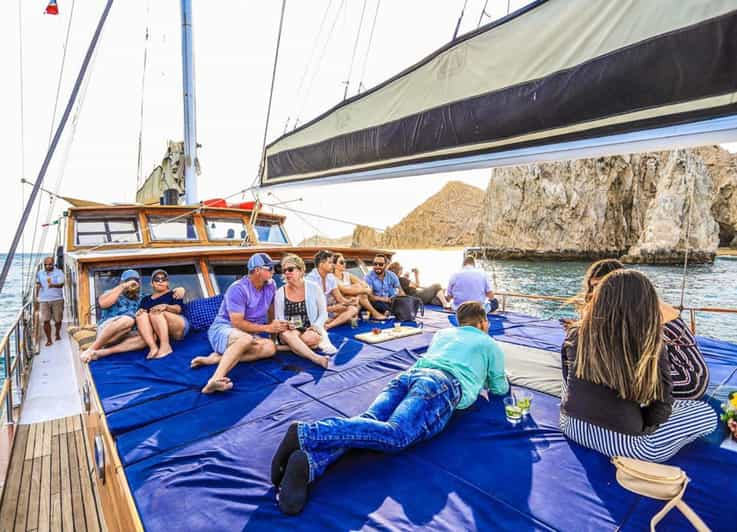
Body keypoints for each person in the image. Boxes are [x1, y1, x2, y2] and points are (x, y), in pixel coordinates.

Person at [271, 301, 509, 515]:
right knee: (396, 434)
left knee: (370, 421)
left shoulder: (444, 333)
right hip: (440, 385)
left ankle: (309, 463)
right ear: (483, 322)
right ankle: (308, 433)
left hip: (409, 376)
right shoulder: (488, 343)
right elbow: (499, 388)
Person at [560, 269, 716, 463]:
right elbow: (661, 407)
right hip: (630, 447)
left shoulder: (575, 333)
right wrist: (647, 426)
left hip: (571, 426)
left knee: (679, 407)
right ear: (646, 304)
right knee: (706, 413)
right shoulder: (649, 342)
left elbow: (567, 384)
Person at [576, 259, 709, 400]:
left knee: (610, 379)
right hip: (681, 375)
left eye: (600, 285)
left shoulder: (642, 309)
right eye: (593, 286)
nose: (595, 292)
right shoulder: (633, 303)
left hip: (686, 379)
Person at [190, 253, 286, 394]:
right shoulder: (238, 289)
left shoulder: (271, 285)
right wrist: (267, 328)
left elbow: (271, 309)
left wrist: (274, 335)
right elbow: (237, 323)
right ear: (258, 270)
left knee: (271, 348)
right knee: (245, 339)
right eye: (270, 268)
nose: (273, 271)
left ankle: (217, 359)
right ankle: (214, 380)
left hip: (247, 333)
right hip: (223, 329)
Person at [274, 254, 333, 368]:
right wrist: (286, 324)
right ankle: (317, 358)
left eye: (290, 269)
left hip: (308, 327)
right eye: (284, 270)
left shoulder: (314, 287)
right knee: (289, 335)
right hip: (289, 330)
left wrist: (316, 326)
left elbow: (323, 313)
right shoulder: (280, 292)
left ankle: (284, 348)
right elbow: (279, 317)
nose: (286, 273)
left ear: (301, 271)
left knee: (312, 338)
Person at [81, 269, 146, 362]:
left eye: (135, 281)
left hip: (126, 335)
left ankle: (105, 352)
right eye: (128, 281)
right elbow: (103, 303)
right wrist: (123, 286)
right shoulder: (112, 292)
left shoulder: (143, 297)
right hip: (108, 331)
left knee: (150, 337)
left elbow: (159, 300)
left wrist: (175, 291)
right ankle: (92, 349)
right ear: (121, 282)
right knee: (128, 320)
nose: (132, 284)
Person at [135, 269, 189, 359]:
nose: (160, 281)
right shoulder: (145, 299)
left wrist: (166, 307)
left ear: (167, 282)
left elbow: (178, 309)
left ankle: (165, 347)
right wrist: (140, 312)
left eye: (163, 279)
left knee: (155, 312)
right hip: (158, 331)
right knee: (141, 315)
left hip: (178, 326)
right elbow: (141, 318)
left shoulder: (174, 293)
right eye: (157, 279)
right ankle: (153, 347)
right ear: (152, 284)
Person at [306, 250, 358, 330]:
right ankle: (331, 321)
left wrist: (350, 301)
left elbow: (339, 298)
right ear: (321, 264)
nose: (333, 265)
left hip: (328, 310)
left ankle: (328, 325)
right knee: (338, 315)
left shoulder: (330, 277)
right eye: (330, 263)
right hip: (314, 312)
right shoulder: (310, 280)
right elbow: (312, 307)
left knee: (353, 309)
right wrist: (334, 308)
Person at [332, 252, 386, 319]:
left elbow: (364, 284)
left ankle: (373, 313)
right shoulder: (332, 278)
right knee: (358, 289)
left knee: (359, 288)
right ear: (334, 265)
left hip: (354, 298)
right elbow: (345, 291)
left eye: (345, 262)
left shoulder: (347, 274)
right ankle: (375, 313)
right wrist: (364, 290)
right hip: (340, 300)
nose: (344, 264)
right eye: (341, 262)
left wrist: (366, 289)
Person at [36, 256, 65, 347]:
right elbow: (38, 283)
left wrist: (53, 285)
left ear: (53, 264)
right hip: (44, 299)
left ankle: (57, 333)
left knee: (58, 320)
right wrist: (37, 295)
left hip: (57, 299)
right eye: (45, 264)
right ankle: (49, 339)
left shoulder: (59, 272)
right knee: (46, 320)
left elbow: (61, 284)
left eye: (49, 264)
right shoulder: (40, 273)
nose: (47, 266)